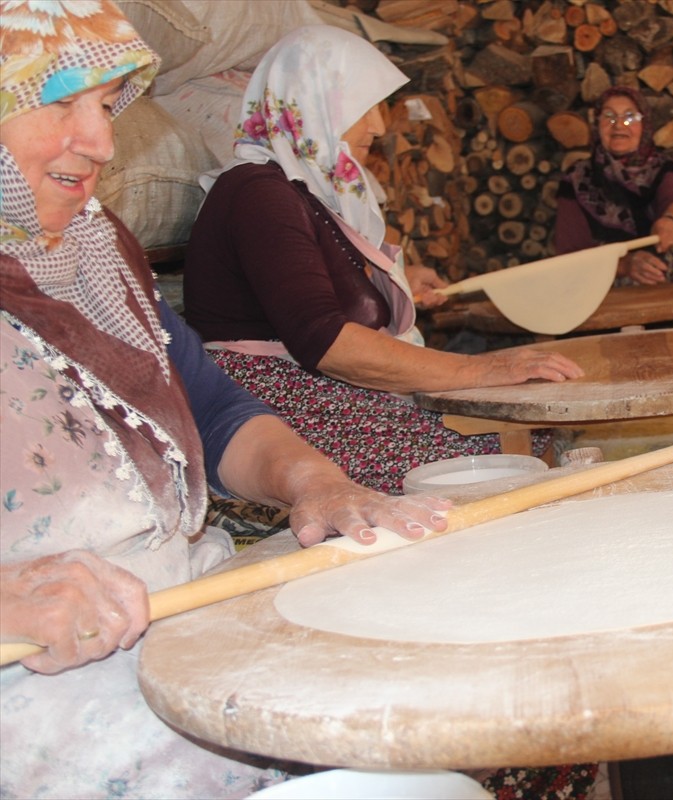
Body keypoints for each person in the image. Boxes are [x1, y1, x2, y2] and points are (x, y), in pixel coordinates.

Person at [0, 3, 455, 796]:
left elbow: (212, 407)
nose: (102, 143)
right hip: (41, 681)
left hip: (181, 606)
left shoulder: (96, 247)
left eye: (107, 109)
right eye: (61, 103)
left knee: (401, 699)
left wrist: (314, 481)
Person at [183, 26, 583, 495]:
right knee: (501, 459)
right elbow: (325, 341)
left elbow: (307, 282)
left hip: (314, 387)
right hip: (273, 399)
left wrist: (400, 281)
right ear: (313, 101)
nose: (377, 126)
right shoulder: (258, 193)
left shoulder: (300, 191)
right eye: (362, 107)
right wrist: (481, 370)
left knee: (532, 436)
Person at [555, 86, 673, 286]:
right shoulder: (576, 179)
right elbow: (569, 256)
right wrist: (624, 265)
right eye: (609, 117)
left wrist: (671, 220)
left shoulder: (664, 168)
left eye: (630, 117)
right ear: (597, 124)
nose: (619, 125)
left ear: (645, 125)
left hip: (657, 281)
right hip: (598, 290)